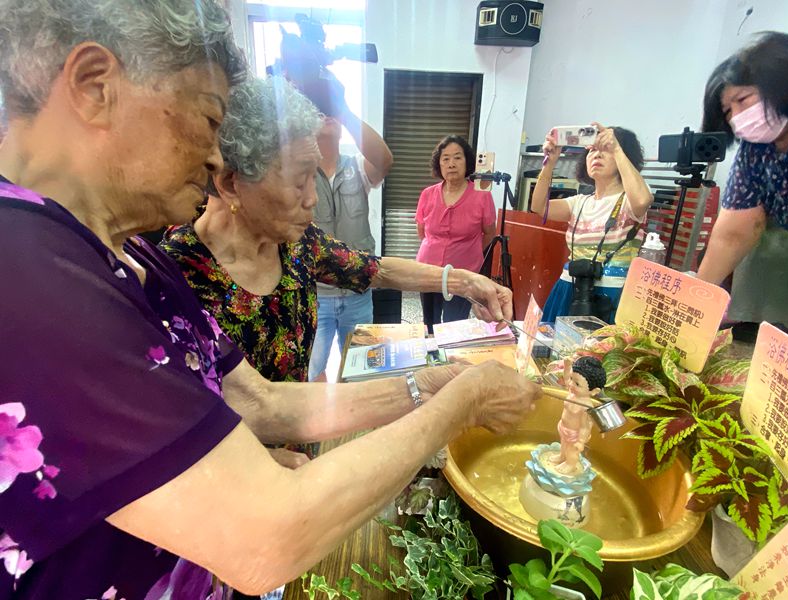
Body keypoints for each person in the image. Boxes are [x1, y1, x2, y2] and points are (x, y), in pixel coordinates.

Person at [0, 2, 540, 598]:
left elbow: (256, 399)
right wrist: (460, 403)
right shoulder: (27, 273)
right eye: (207, 121)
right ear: (95, 87)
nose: (212, 159)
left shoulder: (125, 258)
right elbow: (265, 536)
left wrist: (429, 387)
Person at [161, 76, 514, 387]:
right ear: (230, 184)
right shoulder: (174, 273)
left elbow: (376, 268)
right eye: (299, 181)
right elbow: (224, 408)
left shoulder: (297, 243)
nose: (312, 199)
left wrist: (467, 282)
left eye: (312, 177)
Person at [697, 32, 788, 335]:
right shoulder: (755, 150)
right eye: (728, 110)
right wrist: (694, 300)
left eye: (743, 99)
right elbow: (734, 232)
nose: (737, 117)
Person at [305, 86, 393, 380]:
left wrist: (342, 107)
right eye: (319, 110)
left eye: (330, 112)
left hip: (356, 290)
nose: (326, 114)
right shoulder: (299, 173)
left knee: (360, 369)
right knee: (311, 370)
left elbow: (384, 160)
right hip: (314, 294)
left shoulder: (357, 166)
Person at [530, 124, 654, 324]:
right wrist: (550, 162)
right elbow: (538, 206)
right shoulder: (580, 203)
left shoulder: (629, 200)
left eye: (605, 150)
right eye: (592, 150)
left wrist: (616, 147)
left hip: (613, 295)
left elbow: (642, 201)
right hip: (569, 288)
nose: (597, 155)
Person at [415, 135, 497, 333]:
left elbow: (489, 233)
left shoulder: (482, 195)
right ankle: (432, 357)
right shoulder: (427, 194)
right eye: (446, 158)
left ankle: (452, 359)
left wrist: (469, 252)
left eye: (457, 158)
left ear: (467, 161)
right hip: (428, 270)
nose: (451, 164)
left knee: (455, 324)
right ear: (439, 164)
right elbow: (422, 231)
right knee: (430, 322)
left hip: (464, 273)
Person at [549, 357, 605, 476]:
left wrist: (580, 441)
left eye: (577, 384)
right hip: (564, 428)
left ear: (594, 391)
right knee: (564, 445)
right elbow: (566, 378)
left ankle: (570, 464)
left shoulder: (585, 406)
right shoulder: (573, 394)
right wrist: (567, 365)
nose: (571, 384)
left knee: (572, 451)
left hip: (575, 434)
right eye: (572, 379)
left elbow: (585, 426)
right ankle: (562, 456)